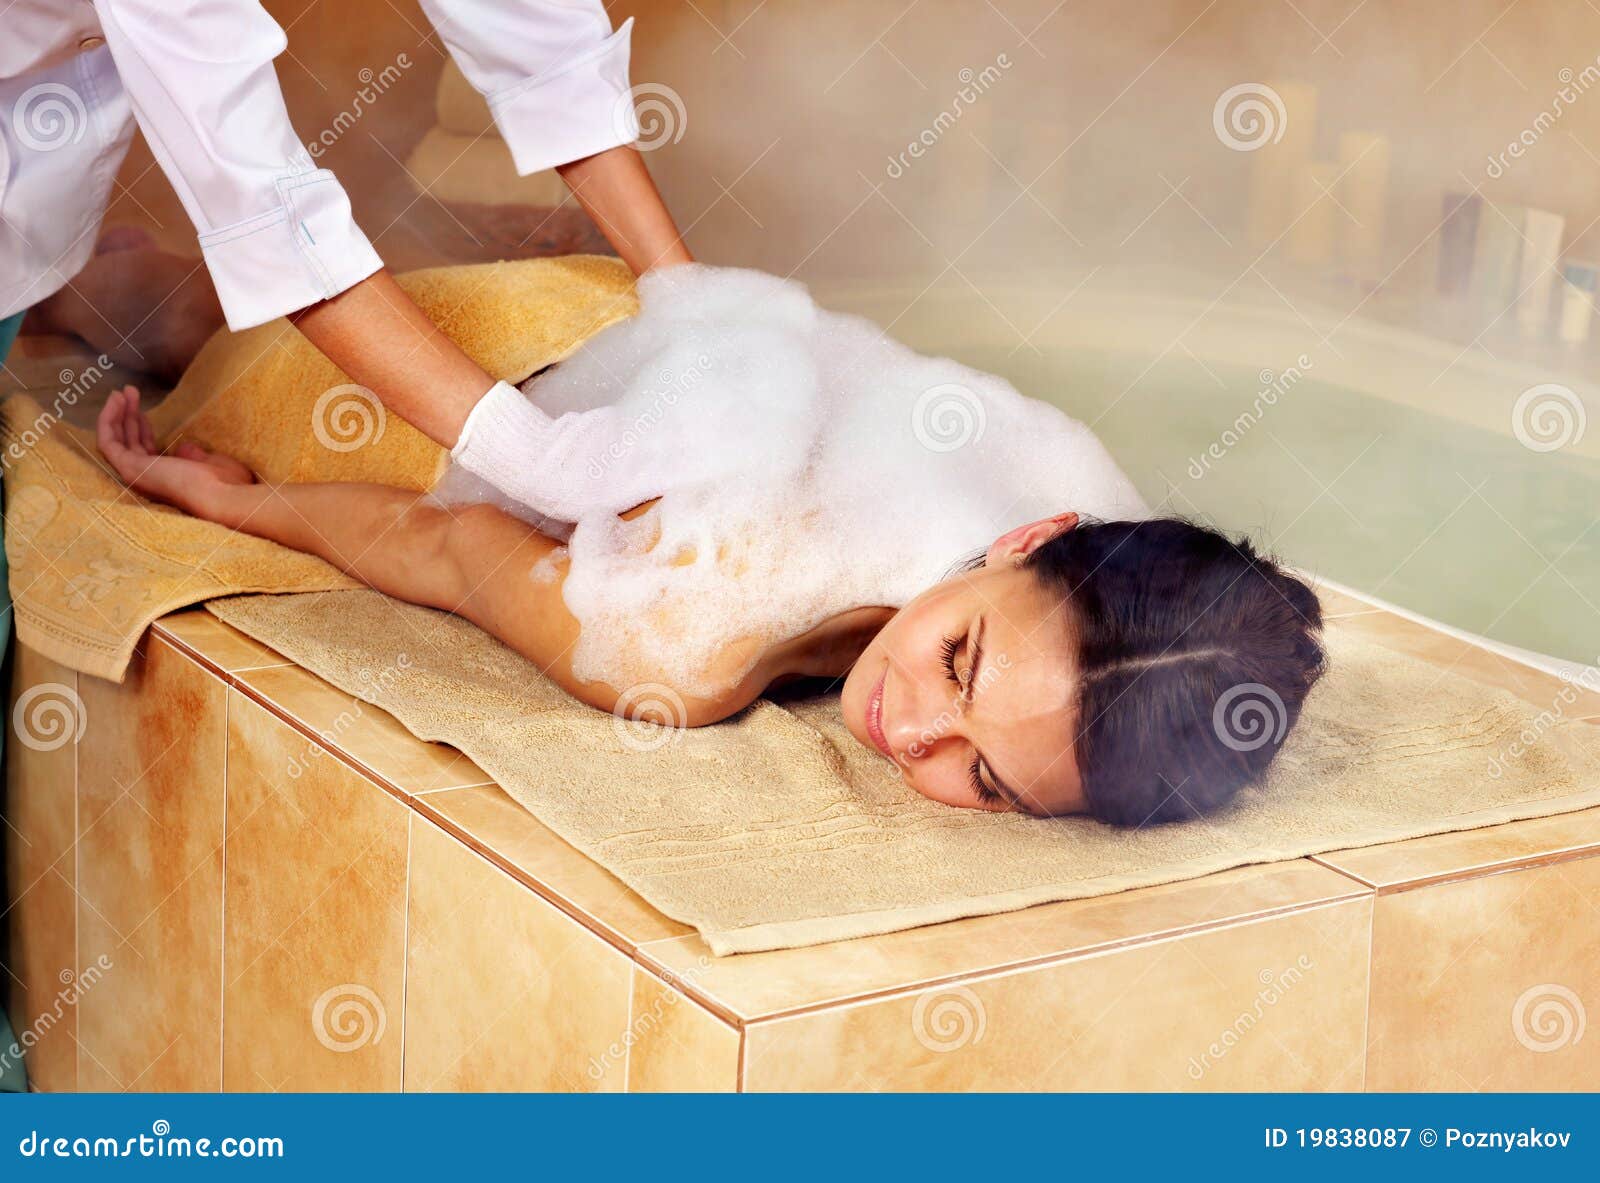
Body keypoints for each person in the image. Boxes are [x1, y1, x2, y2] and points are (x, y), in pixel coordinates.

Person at [96, 385, 1328, 824]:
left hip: (664, 384)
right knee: (152, 318)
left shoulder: (1041, 532)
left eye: (987, 783)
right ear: (1028, 538)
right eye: (957, 666)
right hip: (488, 372)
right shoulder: (687, 644)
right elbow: (450, 537)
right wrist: (232, 501)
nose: (911, 737)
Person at [2, 0, 691, 506]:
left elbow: (535, 38)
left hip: (50, 113)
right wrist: (538, 459)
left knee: (189, 317)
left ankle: (74, 290)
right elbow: (269, 209)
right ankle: (73, 295)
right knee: (194, 321)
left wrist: (691, 300)